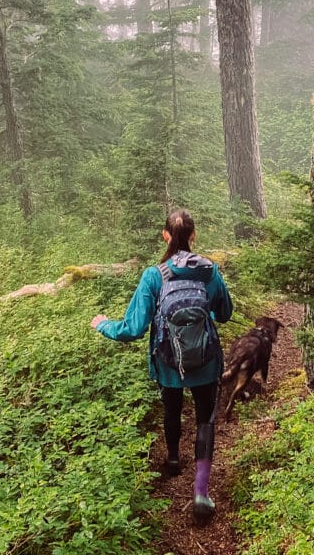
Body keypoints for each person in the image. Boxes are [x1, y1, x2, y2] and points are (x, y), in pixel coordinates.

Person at [91, 209, 232, 518]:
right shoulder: (209, 271)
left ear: (165, 235)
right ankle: (201, 493)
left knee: (172, 409)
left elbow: (133, 328)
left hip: (169, 363)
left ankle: (171, 460)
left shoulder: (154, 276)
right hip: (206, 363)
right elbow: (224, 314)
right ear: (194, 236)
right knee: (205, 420)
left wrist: (103, 324)